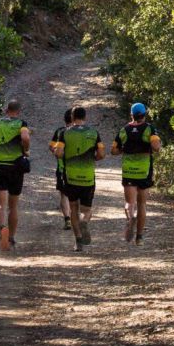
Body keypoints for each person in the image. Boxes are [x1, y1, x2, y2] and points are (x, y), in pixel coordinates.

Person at [0, 100, 30, 251]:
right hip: (16, 167)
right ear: (18, 111)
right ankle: (11, 238)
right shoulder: (21, 123)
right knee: (13, 206)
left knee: (1, 204)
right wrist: (25, 150)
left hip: (0, 166)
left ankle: (3, 227)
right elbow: (26, 137)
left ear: (6, 110)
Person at [54, 106, 105, 251]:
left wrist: (66, 156)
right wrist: (93, 158)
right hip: (88, 177)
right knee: (86, 210)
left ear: (72, 116)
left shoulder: (64, 133)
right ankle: (84, 221)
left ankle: (78, 242)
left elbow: (58, 153)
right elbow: (101, 153)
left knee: (74, 209)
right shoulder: (94, 133)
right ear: (85, 117)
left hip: (71, 177)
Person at [111, 102, 161, 246]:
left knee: (129, 203)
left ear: (131, 115)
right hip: (144, 171)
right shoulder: (149, 129)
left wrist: (124, 149)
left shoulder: (124, 130)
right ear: (145, 114)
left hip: (128, 171)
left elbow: (113, 150)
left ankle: (130, 219)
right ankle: (139, 237)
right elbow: (156, 147)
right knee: (142, 204)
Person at [49, 108, 73, 230]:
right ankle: (76, 218)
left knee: (64, 195)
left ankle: (67, 219)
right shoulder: (80, 132)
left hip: (62, 168)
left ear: (64, 119)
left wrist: (56, 151)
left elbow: (51, 146)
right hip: (78, 168)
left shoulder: (59, 131)